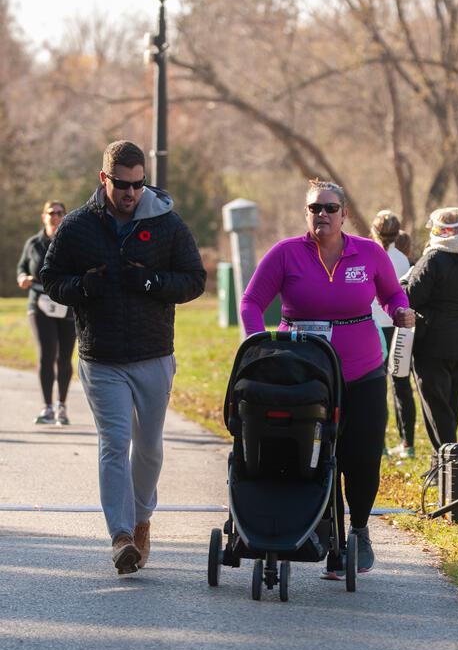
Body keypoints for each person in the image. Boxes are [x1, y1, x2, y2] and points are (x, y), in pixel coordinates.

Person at [41, 140, 206, 574]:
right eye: (122, 185)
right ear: (104, 179)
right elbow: (52, 279)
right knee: (115, 444)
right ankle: (120, 536)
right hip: (102, 357)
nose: (131, 193)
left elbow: (194, 279)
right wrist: (82, 289)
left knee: (148, 447)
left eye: (138, 184)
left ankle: (141, 519)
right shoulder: (76, 227)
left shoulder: (167, 224)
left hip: (153, 354)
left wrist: (153, 282)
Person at [240, 179, 414, 578]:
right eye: (315, 208)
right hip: (302, 371)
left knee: (363, 456)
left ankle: (358, 531)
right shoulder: (286, 254)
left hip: (362, 370)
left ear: (344, 214)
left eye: (330, 208)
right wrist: (258, 344)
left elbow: (392, 295)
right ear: (306, 213)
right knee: (311, 454)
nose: (323, 215)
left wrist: (402, 310)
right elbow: (251, 301)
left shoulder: (368, 253)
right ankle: (322, 532)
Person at [404, 207, 458, 452]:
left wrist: (404, 280)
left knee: (436, 407)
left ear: (437, 231)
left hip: (432, 342)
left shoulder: (434, 259)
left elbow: (411, 297)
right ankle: (447, 459)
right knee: (451, 406)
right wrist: (457, 221)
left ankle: (447, 461)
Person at [17, 200, 76, 426]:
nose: (55, 216)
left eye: (60, 213)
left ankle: (62, 406)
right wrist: (22, 278)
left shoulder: (72, 243)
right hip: (39, 304)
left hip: (66, 303)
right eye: (51, 213)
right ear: (44, 216)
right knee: (46, 354)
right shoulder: (33, 244)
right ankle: (47, 407)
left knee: (64, 358)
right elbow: (22, 267)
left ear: (65, 216)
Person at [370, 210, 416, 459]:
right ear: (398, 233)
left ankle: (380, 444)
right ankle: (407, 444)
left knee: (375, 387)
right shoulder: (403, 259)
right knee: (401, 384)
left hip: (373, 328)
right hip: (399, 327)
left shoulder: (369, 254)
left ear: (374, 231)